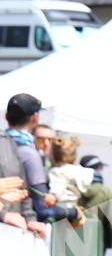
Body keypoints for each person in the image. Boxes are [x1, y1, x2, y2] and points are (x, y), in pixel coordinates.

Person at [6, 95, 80, 230]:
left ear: (6, 116)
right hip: (17, 230)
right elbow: (44, 208)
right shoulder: (29, 154)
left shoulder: (4, 145)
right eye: (41, 139)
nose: (46, 144)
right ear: (35, 118)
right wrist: (75, 213)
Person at [76, 154, 112, 251]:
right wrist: (107, 244)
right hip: (96, 245)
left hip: (71, 243)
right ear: (98, 169)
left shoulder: (72, 189)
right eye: (101, 168)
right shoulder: (108, 193)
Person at [47, 134, 95, 211]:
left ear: (53, 156)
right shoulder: (83, 172)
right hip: (75, 207)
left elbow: (58, 185)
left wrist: (53, 195)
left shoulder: (58, 172)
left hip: (62, 209)